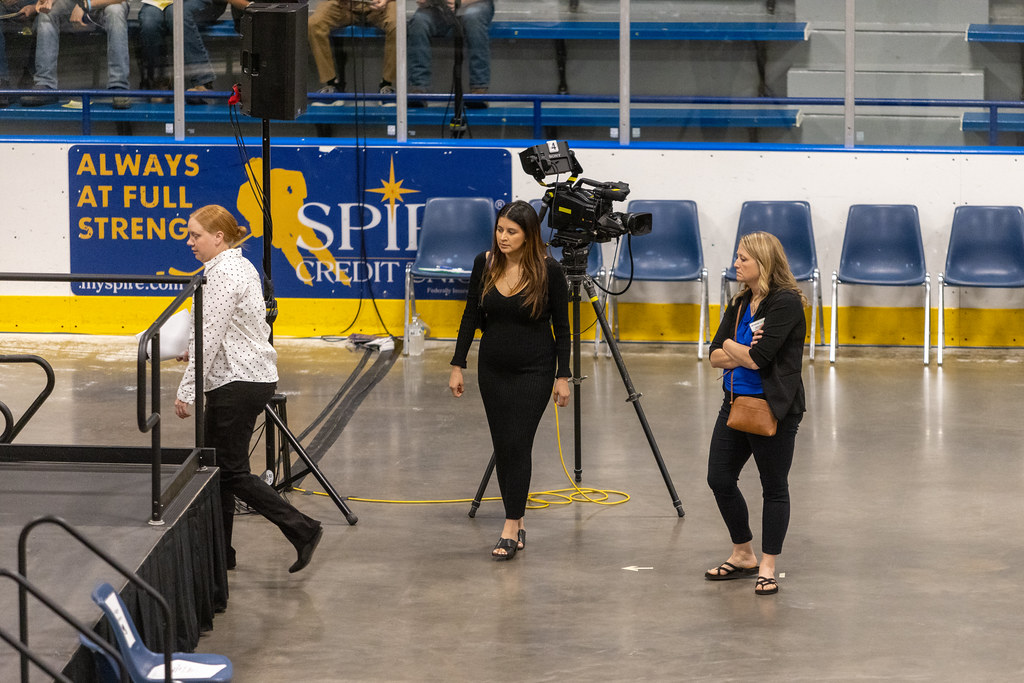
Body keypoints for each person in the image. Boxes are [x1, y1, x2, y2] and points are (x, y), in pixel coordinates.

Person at [174, 204, 323, 574]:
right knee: (217, 469)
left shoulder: (223, 273)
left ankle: (303, 529)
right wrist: (192, 352)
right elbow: (222, 331)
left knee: (231, 470)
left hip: (236, 383)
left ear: (218, 237)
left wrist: (187, 390)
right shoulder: (238, 265)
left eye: (196, 235)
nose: (190, 242)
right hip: (246, 377)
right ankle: (220, 554)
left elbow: (210, 336)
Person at [449, 200, 571, 561]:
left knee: (518, 442)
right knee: (504, 446)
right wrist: (458, 364)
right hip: (493, 369)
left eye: (511, 232)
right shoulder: (484, 263)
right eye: (500, 229)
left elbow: (563, 329)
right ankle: (516, 523)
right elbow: (470, 314)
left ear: (529, 235)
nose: (503, 237)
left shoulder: (550, 271)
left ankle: (510, 523)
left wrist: (562, 376)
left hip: (535, 369)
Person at [705, 231, 806, 596]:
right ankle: (743, 553)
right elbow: (713, 354)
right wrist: (739, 347)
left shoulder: (786, 303)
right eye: (737, 257)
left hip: (773, 408)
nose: (736, 263)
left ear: (763, 263)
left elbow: (758, 359)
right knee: (719, 478)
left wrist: (733, 348)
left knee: (773, 487)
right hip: (734, 403)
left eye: (743, 258)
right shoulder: (740, 302)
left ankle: (768, 565)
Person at [20, 0, 131, 108]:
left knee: (116, 11)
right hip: (76, 3)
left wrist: (86, 5)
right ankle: (45, 84)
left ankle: (119, 86)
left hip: (108, 3)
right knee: (47, 13)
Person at [407, 0, 494, 108]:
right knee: (419, 21)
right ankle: (418, 89)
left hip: (475, 4)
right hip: (441, 8)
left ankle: (479, 89)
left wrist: (460, 2)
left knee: (473, 19)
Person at [308, 0, 396, 100]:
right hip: (344, 5)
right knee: (314, 24)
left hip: (381, 5)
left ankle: (387, 84)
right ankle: (331, 84)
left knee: (396, 25)